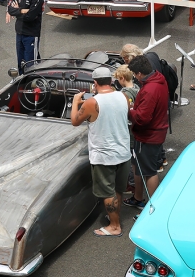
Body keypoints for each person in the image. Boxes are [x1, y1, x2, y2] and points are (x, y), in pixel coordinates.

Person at [70, 65, 132, 238]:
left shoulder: (92, 102)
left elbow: (75, 121)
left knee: (107, 192)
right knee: (118, 189)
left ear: (94, 83)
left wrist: (76, 102)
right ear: (111, 81)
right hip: (123, 152)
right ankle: (115, 216)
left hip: (104, 156)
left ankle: (114, 226)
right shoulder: (123, 96)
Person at [125, 54, 168, 210]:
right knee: (137, 166)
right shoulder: (158, 79)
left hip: (148, 136)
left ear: (139, 74)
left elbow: (143, 118)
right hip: (153, 132)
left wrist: (129, 110)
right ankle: (138, 197)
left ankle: (153, 207)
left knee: (149, 172)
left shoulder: (150, 89)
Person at [8, 0, 43, 71]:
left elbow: (30, 16)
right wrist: (22, 10)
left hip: (31, 35)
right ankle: (21, 83)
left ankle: (35, 83)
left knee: (32, 64)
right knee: (21, 63)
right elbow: (10, 9)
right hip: (20, 33)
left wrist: (18, 11)